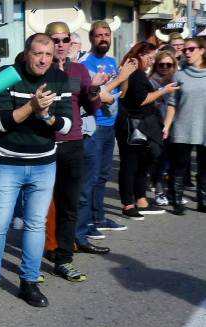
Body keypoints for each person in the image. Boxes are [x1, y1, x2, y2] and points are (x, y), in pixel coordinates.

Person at [0, 33, 72, 309]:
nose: (43, 60)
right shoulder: (7, 75)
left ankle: (29, 282)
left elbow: (66, 126)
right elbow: (2, 124)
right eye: (38, 54)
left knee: (36, 225)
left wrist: (45, 116)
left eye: (48, 55)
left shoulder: (60, 78)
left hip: (44, 164)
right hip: (7, 163)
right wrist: (32, 106)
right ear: (27, 53)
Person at [42, 20, 107, 281]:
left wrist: (94, 90)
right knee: (43, 203)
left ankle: (64, 256)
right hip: (44, 143)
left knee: (70, 202)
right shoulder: (39, 68)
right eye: (55, 40)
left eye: (65, 40)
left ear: (71, 42)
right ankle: (47, 247)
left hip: (72, 142)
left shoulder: (79, 69)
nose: (60, 45)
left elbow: (92, 109)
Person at [78, 20, 134, 240]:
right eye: (99, 35)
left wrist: (125, 75)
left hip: (110, 125)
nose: (103, 39)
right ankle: (87, 222)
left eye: (107, 35)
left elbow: (122, 91)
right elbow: (96, 92)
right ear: (91, 38)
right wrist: (120, 77)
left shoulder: (111, 60)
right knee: (90, 178)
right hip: (95, 125)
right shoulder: (86, 62)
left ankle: (98, 217)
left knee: (102, 176)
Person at [115, 41, 179, 220]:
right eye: (150, 57)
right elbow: (140, 99)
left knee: (142, 164)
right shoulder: (134, 73)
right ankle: (128, 204)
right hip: (132, 126)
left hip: (142, 124)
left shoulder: (138, 73)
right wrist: (163, 91)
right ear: (140, 55)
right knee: (130, 165)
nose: (152, 61)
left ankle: (141, 200)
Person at [163, 36, 206, 214]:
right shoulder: (179, 75)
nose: (187, 52)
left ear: (202, 50)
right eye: (185, 49)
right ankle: (176, 200)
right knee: (179, 165)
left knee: (204, 166)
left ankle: (203, 200)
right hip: (183, 125)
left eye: (191, 49)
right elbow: (172, 103)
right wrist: (166, 126)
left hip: (204, 126)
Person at [148, 50, 178, 207]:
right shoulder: (150, 81)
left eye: (169, 64)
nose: (165, 67)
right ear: (156, 65)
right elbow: (150, 103)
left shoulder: (178, 79)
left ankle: (173, 193)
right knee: (158, 160)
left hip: (176, 125)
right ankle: (159, 191)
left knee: (176, 161)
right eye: (161, 64)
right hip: (157, 125)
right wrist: (162, 91)